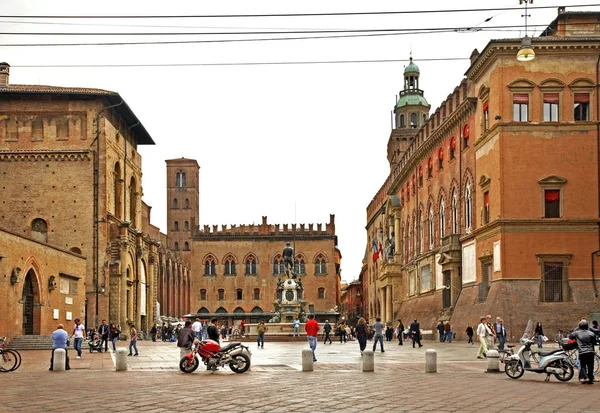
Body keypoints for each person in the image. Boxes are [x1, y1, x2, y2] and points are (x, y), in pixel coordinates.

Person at [569, 320, 596, 384]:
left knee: (583, 365)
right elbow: (594, 342)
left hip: (582, 352)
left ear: (579, 326)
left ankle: (585, 377)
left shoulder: (577, 333)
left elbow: (570, 336)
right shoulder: (592, 333)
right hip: (591, 351)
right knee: (590, 365)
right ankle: (590, 379)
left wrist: (575, 339)